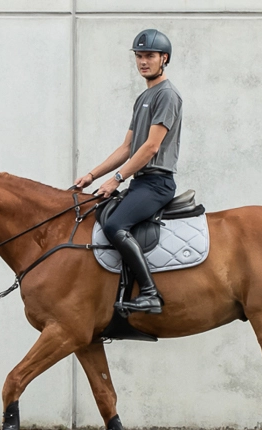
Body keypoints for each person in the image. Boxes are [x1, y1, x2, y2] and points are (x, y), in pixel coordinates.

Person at [74, 28, 182, 315]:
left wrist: (117, 179)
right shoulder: (144, 97)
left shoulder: (167, 95)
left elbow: (150, 148)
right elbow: (127, 148)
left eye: (150, 56)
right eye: (139, 56)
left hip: (157, 183)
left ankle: (150, 294)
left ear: (164, 58)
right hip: (142, 182)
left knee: (114, 226)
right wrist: (92, 175)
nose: (143, 62)